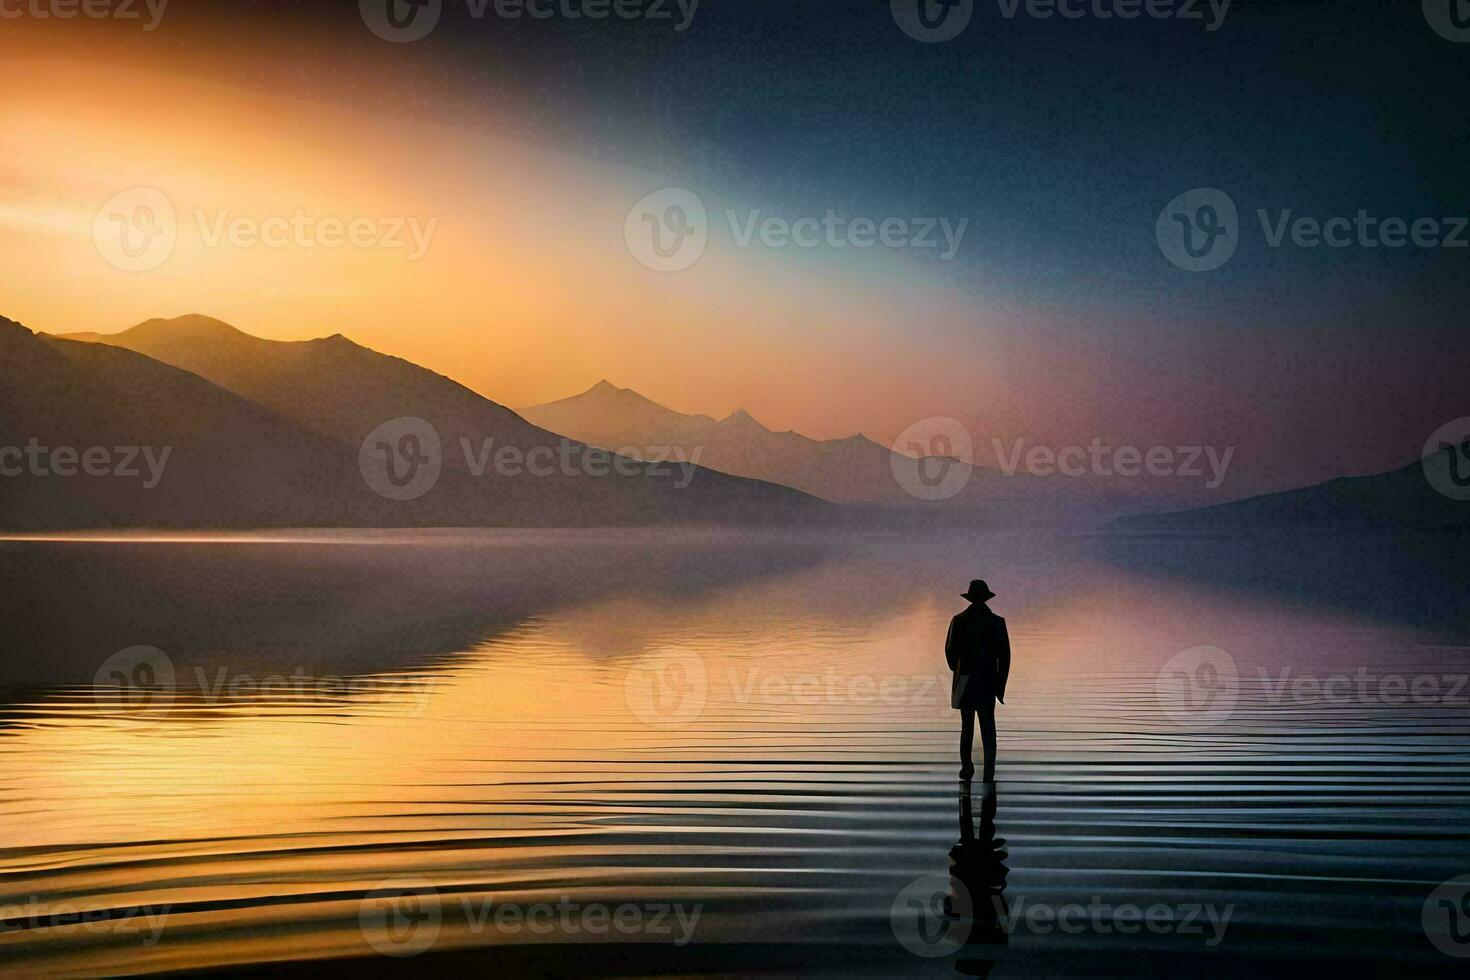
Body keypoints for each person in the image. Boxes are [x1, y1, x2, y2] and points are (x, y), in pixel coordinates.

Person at [945, 579, 1010, 783]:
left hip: (965, 681)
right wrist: (1000, 685)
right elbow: (1005, 658)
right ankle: (989, 769)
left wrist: (959, 669)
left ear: (971, 598)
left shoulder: (959, 620)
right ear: (985, 598)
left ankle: (966, 767)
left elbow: (950, 652)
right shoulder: (997, 623)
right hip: (988, 682)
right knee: (988, 727)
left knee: (967, 727)